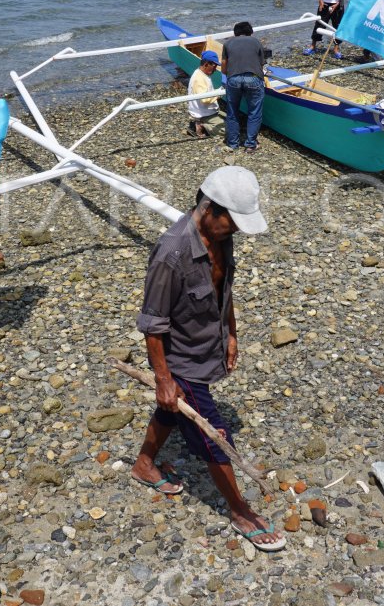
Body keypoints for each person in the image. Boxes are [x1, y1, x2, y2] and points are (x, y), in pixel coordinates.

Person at [130, 166, 285, 552]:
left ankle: (144, 464)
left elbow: (223, 288)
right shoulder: (172, 253)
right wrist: (164, 378)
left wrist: (230, 333)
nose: (234, 232)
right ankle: (239, 510)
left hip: (207, 346)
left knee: (172, 410)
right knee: (214, 434)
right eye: (231, 223)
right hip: (180, 359)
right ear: (210, 208)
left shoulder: (220, 236)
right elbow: (152, 324)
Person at [221, 21, 266, 153]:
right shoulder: (256, 42)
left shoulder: (227, 43)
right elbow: (261, 64)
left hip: (234, 78)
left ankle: (233, 144)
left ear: (235, 33)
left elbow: (224, 67)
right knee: (254, 112)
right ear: (250, 32)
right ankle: (250, 145)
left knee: (232, 111)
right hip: (252, 78)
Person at [186, 50, 224, 138]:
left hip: (206, 111)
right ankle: (200, 127)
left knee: (231, 120)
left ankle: (201, 124)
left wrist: (220, 89)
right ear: (206, 64)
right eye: (214, 66)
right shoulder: (199, 79)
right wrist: (219, 94)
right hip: (203, 114)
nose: (215, 69)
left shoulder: (202, 74)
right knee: (229, 130)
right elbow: (205, 99)